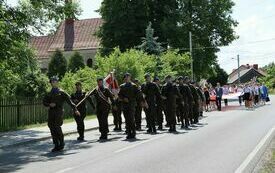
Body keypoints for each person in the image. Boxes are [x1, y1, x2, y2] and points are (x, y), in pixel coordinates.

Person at [43, 76, 80, 152]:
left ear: (57, 82)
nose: (54, 83)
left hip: (59, 112)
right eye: (52, 82)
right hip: (51, 112)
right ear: (51, 83)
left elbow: (70, 102)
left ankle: (61, 143)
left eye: (55, 81)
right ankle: (56, 144)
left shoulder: (62, 92)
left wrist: (75, 109)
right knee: (51, 127)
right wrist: (49, 104)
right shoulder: (49, 93)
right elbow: (44, 102)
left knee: (57, 126)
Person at [118, 73, 146, 139]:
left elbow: (139, 94)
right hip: (125, 105)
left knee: (131, 118)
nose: (127, 78)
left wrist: (143, 101)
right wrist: (123, 98)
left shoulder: (134, 86)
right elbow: (120, 95)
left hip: (131, 104)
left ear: (130, 78)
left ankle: (133, 132)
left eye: (128, 77)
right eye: (126, 77)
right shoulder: (122, 86)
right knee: (127, 119)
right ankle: (129, 132)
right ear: (124, 78)